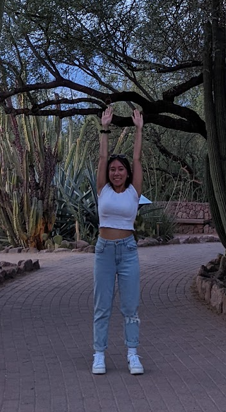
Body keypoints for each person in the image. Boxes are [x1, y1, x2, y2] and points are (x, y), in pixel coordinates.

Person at [92, 105, 144, 376]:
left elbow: (137, 159)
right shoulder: (103, 191)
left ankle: (132, 354)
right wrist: (105, 128)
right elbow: (101, 157)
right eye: (112, 169)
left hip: (128, 251)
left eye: (120, 169)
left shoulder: (134, 192)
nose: (115, 172)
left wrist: (138, 130)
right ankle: (99, 354)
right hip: (104, 252)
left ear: (127, 172)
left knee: (130, 306)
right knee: (102, 305)